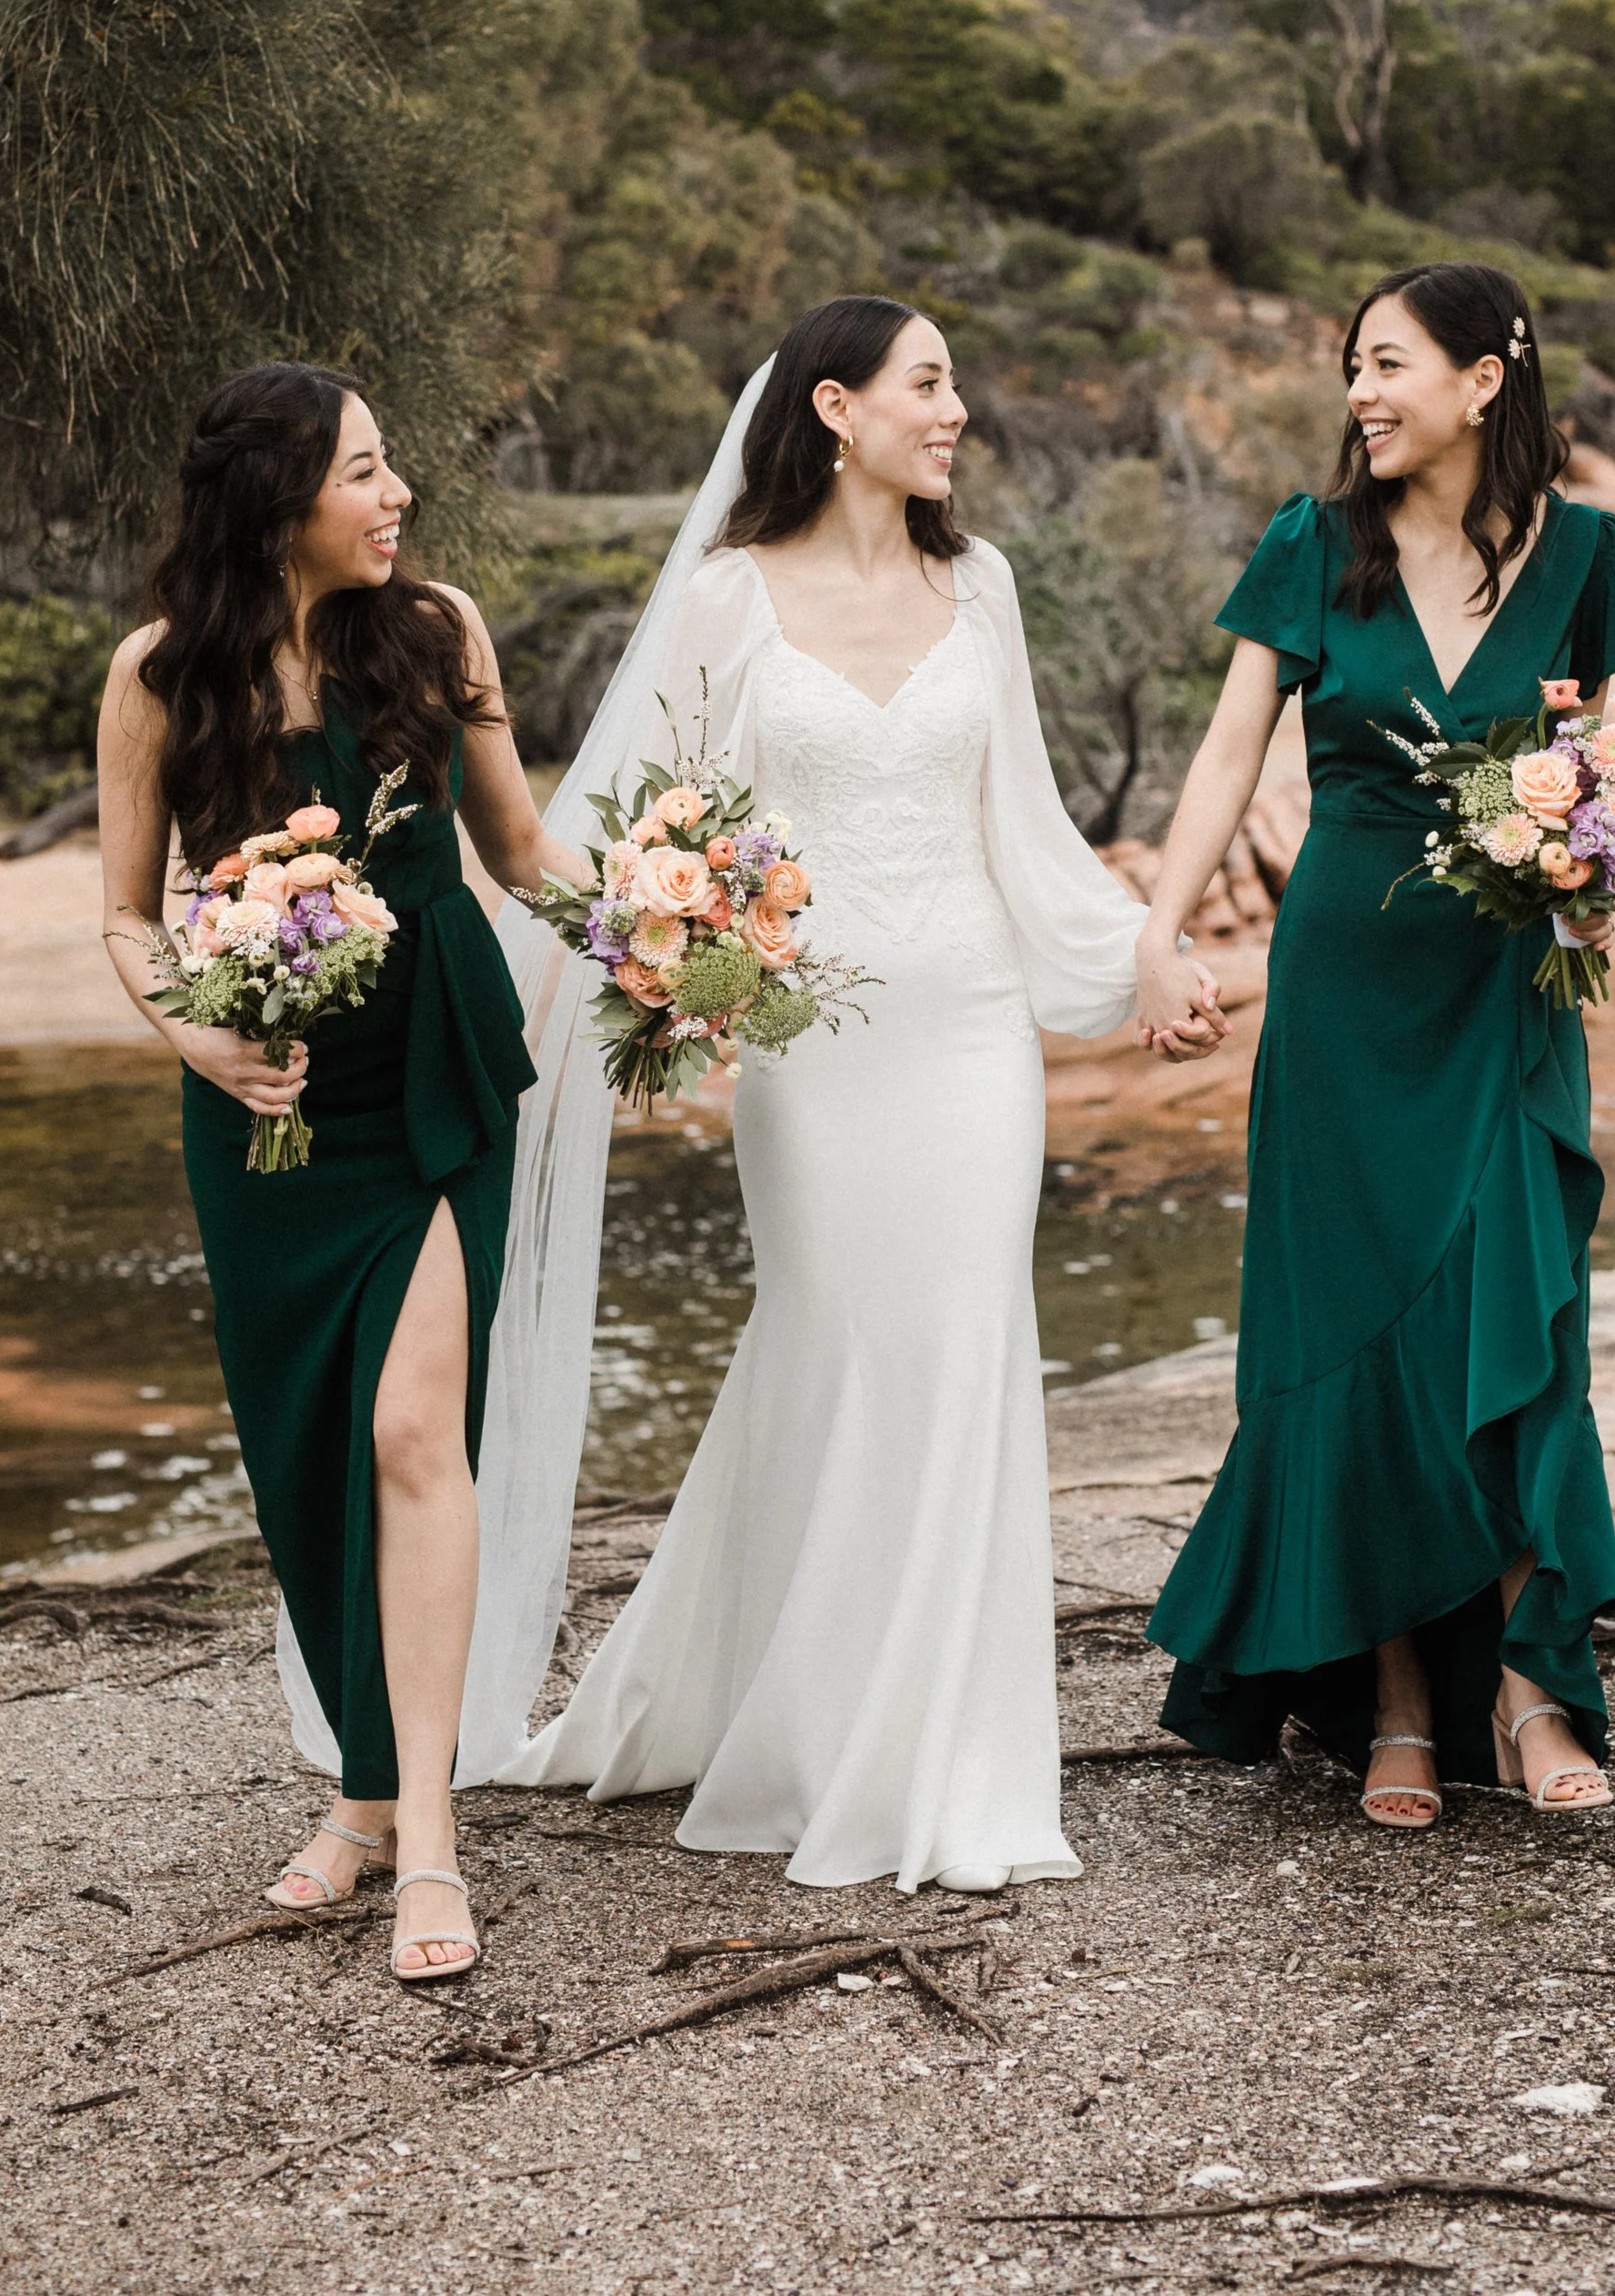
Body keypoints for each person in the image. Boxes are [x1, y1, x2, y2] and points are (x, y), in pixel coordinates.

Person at [507, 295, 1222, 1889]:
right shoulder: (724, 597)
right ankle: (806, 1725)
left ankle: (956, 1765)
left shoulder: (985, 586)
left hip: (972, 1030)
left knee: (966, 1355)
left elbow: (1022, 820)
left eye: (955, 379)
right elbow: (656, 830)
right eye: (930, 379)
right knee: (827, 1346)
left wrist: (1137, 963)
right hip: (810, 1048)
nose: (957, 406)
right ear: (836, 406)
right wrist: (662, 973)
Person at [1133, 264, 1615, 1825]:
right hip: (1344, 998)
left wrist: (1602, 849)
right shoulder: (1315, 545)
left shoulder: (1590, 553)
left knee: (1515, 1311)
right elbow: (1233, 747)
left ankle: (1532, 1681)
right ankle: (1397, 1698)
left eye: (1389, 364)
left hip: (1507, 994)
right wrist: (1162, 930)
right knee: (1353, 1331)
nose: (1362, 393)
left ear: (1486, 377)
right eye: (1352, 367)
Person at [96, 362, 589, 1980]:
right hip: (267, 1108)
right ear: (281, 497)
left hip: (436, 1078)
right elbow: (127, 913)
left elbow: (517, 851)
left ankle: (430, 1837)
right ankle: (365, 1791)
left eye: (393, 470)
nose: (397, 500)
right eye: (366, 473)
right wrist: (201, 1038)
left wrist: (663, 918)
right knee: (311, 1453)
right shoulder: (164, 676)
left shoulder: (435, 631)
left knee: (408, 1426)